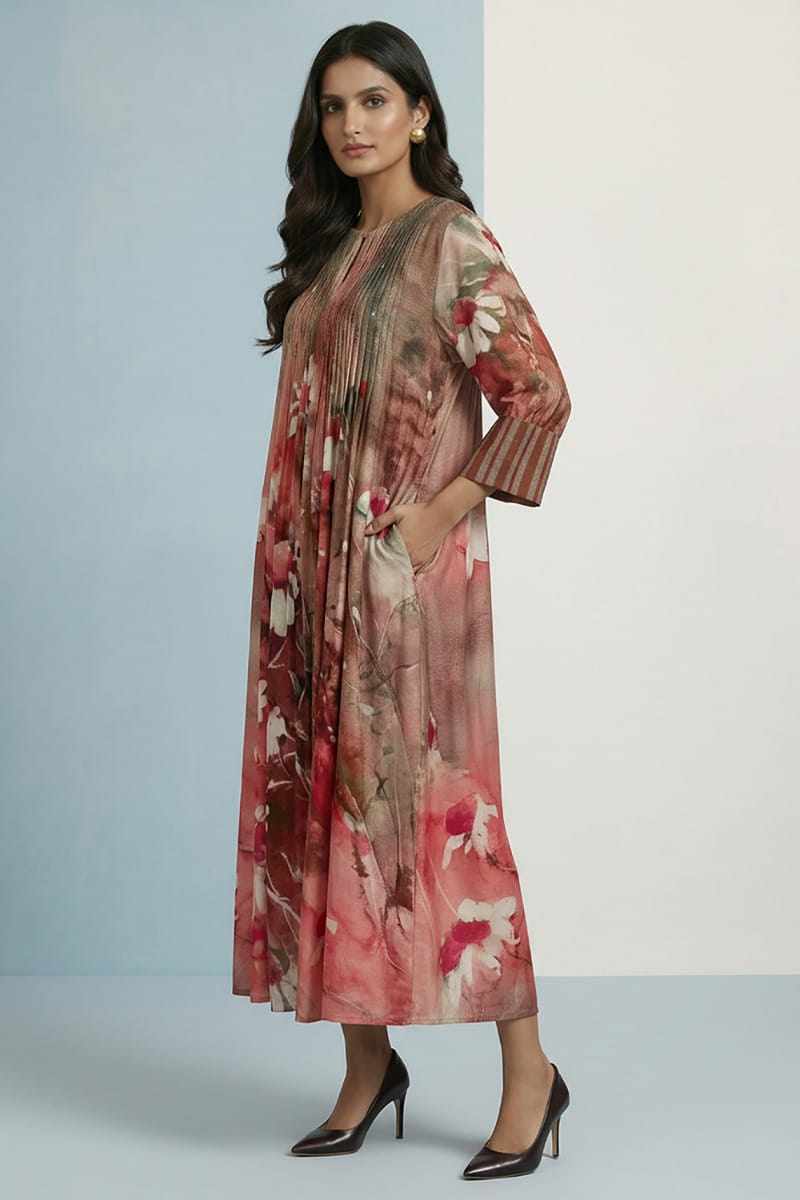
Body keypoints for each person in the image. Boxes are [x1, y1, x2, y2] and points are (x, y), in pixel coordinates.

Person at [232, 20, 572, 1180]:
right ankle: (367, 1066)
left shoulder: (448, 241)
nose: (351, 125)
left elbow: (538, 395)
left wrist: (431, 520)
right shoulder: (332, 254)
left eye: (374, 101)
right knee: (324, 812)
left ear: (419, 113)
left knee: (446, 825)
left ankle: (529, 1077)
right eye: (333, 107)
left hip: (403, 585)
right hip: (305, 588)